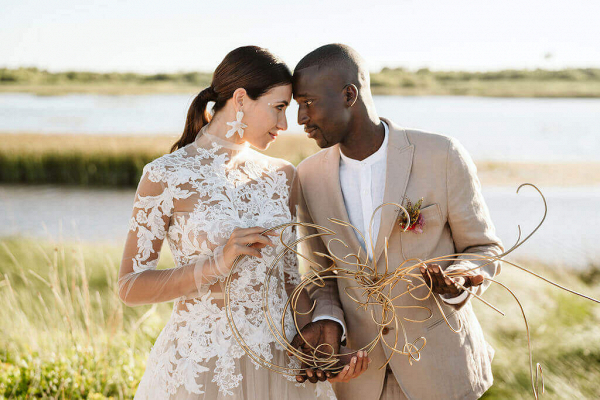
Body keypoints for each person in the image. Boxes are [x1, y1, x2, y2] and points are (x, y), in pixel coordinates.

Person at [118, 46, 336, 400]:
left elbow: (291, 282)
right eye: (279, 108)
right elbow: (129, 286)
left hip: (278, 363)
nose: (284, 124)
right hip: (201, 365)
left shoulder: (283, 175)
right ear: (240, 99)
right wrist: (216, 264)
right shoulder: (166, 174)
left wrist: (322, 341)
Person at [291, 44, 503, 400]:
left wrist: (461, 278)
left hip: (442, 372)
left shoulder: (442, 154)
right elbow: (321, 274)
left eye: (308, 102)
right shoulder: (308, 176)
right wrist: (329, 322)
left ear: (349, 95)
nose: (300, 119)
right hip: (358, 377)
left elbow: (483, 247)